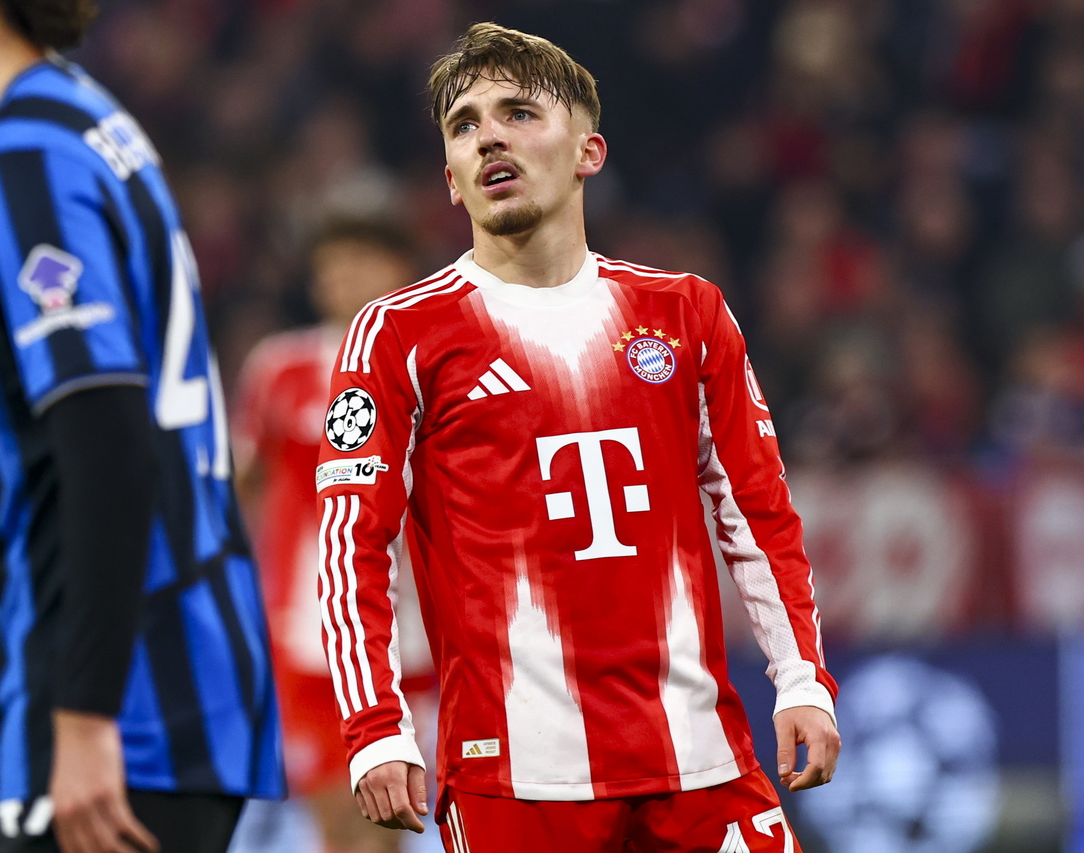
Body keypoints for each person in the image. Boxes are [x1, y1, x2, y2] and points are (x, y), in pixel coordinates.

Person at [315, 22, 840, 853]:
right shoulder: (399, 333)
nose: (488, 136)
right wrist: (375, 724)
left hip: (700, 759)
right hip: (516, 778)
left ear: (589, 152)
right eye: (464, 125)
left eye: (518, 113)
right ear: (451, 180)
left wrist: (801, 677)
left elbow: (756, 510)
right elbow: (351, 543)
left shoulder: (685, 311)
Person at [0, 0, 286, 851]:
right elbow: (59, 470)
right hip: (170, 685)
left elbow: (110, 448)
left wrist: (84, 715)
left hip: (125, 711)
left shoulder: (29, 160)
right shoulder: (84, 123)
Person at [232, 218, 436, 853]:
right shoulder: (280, 366)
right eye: (334, 265)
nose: (346, 278)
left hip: (418, 631)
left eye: (364, 261)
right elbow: (243, 483)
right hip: (310, 629)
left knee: (389, 823)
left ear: (401, 270)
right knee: (336, 824)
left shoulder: (436, 358)